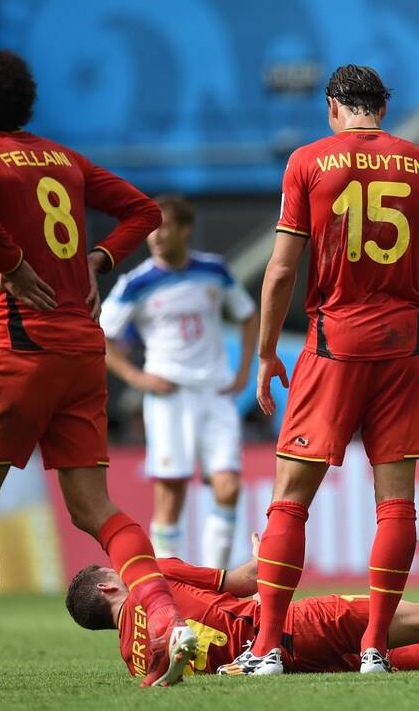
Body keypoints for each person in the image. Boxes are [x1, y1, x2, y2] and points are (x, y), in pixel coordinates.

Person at [0, 48, 197, 691]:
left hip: (17, 344)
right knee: (96, 507)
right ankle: (165, 617)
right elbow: (144, 212)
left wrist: (11, 264)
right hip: (82, 349)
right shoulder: (63, 160)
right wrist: (98, 258)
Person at [244, 64, 419, 675]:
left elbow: (281, 270)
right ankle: (376, 648)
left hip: (333, 346)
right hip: (401, 347)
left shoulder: (307, 161)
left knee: (290, 505)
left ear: (334, 106)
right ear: (381, 108)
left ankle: (266, 649)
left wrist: (264, 351)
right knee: (397, 507)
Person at [64, 543, 419, 676]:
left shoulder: (135, 659)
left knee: (386, 650)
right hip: (280, 631)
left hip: (273, 663)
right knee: (416, 614)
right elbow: (248, 580)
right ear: (111, 587)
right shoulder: (149, 577)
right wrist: (270, 546)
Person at [100, 194, 259, 569]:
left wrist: (243, 372)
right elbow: (99, 334)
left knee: (228, 488)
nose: (155, 236)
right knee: (171, 495)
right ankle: (172, 588)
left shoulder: (215, 271)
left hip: (216, 395)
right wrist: (136, 376)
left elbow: (248, 315)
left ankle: (216, 582)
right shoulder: (135, 284)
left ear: (185, 230)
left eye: (165, 226)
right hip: (170, 398)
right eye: (151, 229)